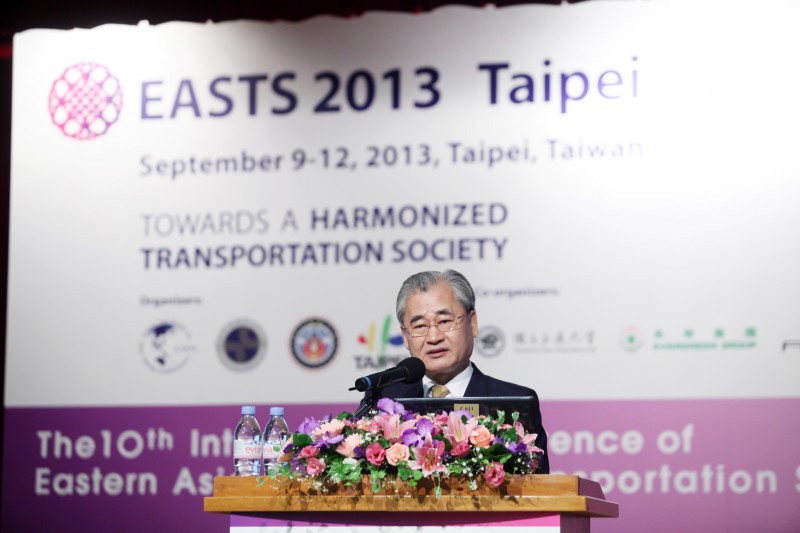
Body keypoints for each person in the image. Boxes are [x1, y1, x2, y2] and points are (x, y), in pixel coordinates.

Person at [368, 269, 549, 474]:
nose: (433, 337)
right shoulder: (385, 402)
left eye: (445, 321)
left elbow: (537, 488)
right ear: (405, 336)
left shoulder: (515, 404)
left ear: (472, 323)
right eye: (419, 326)